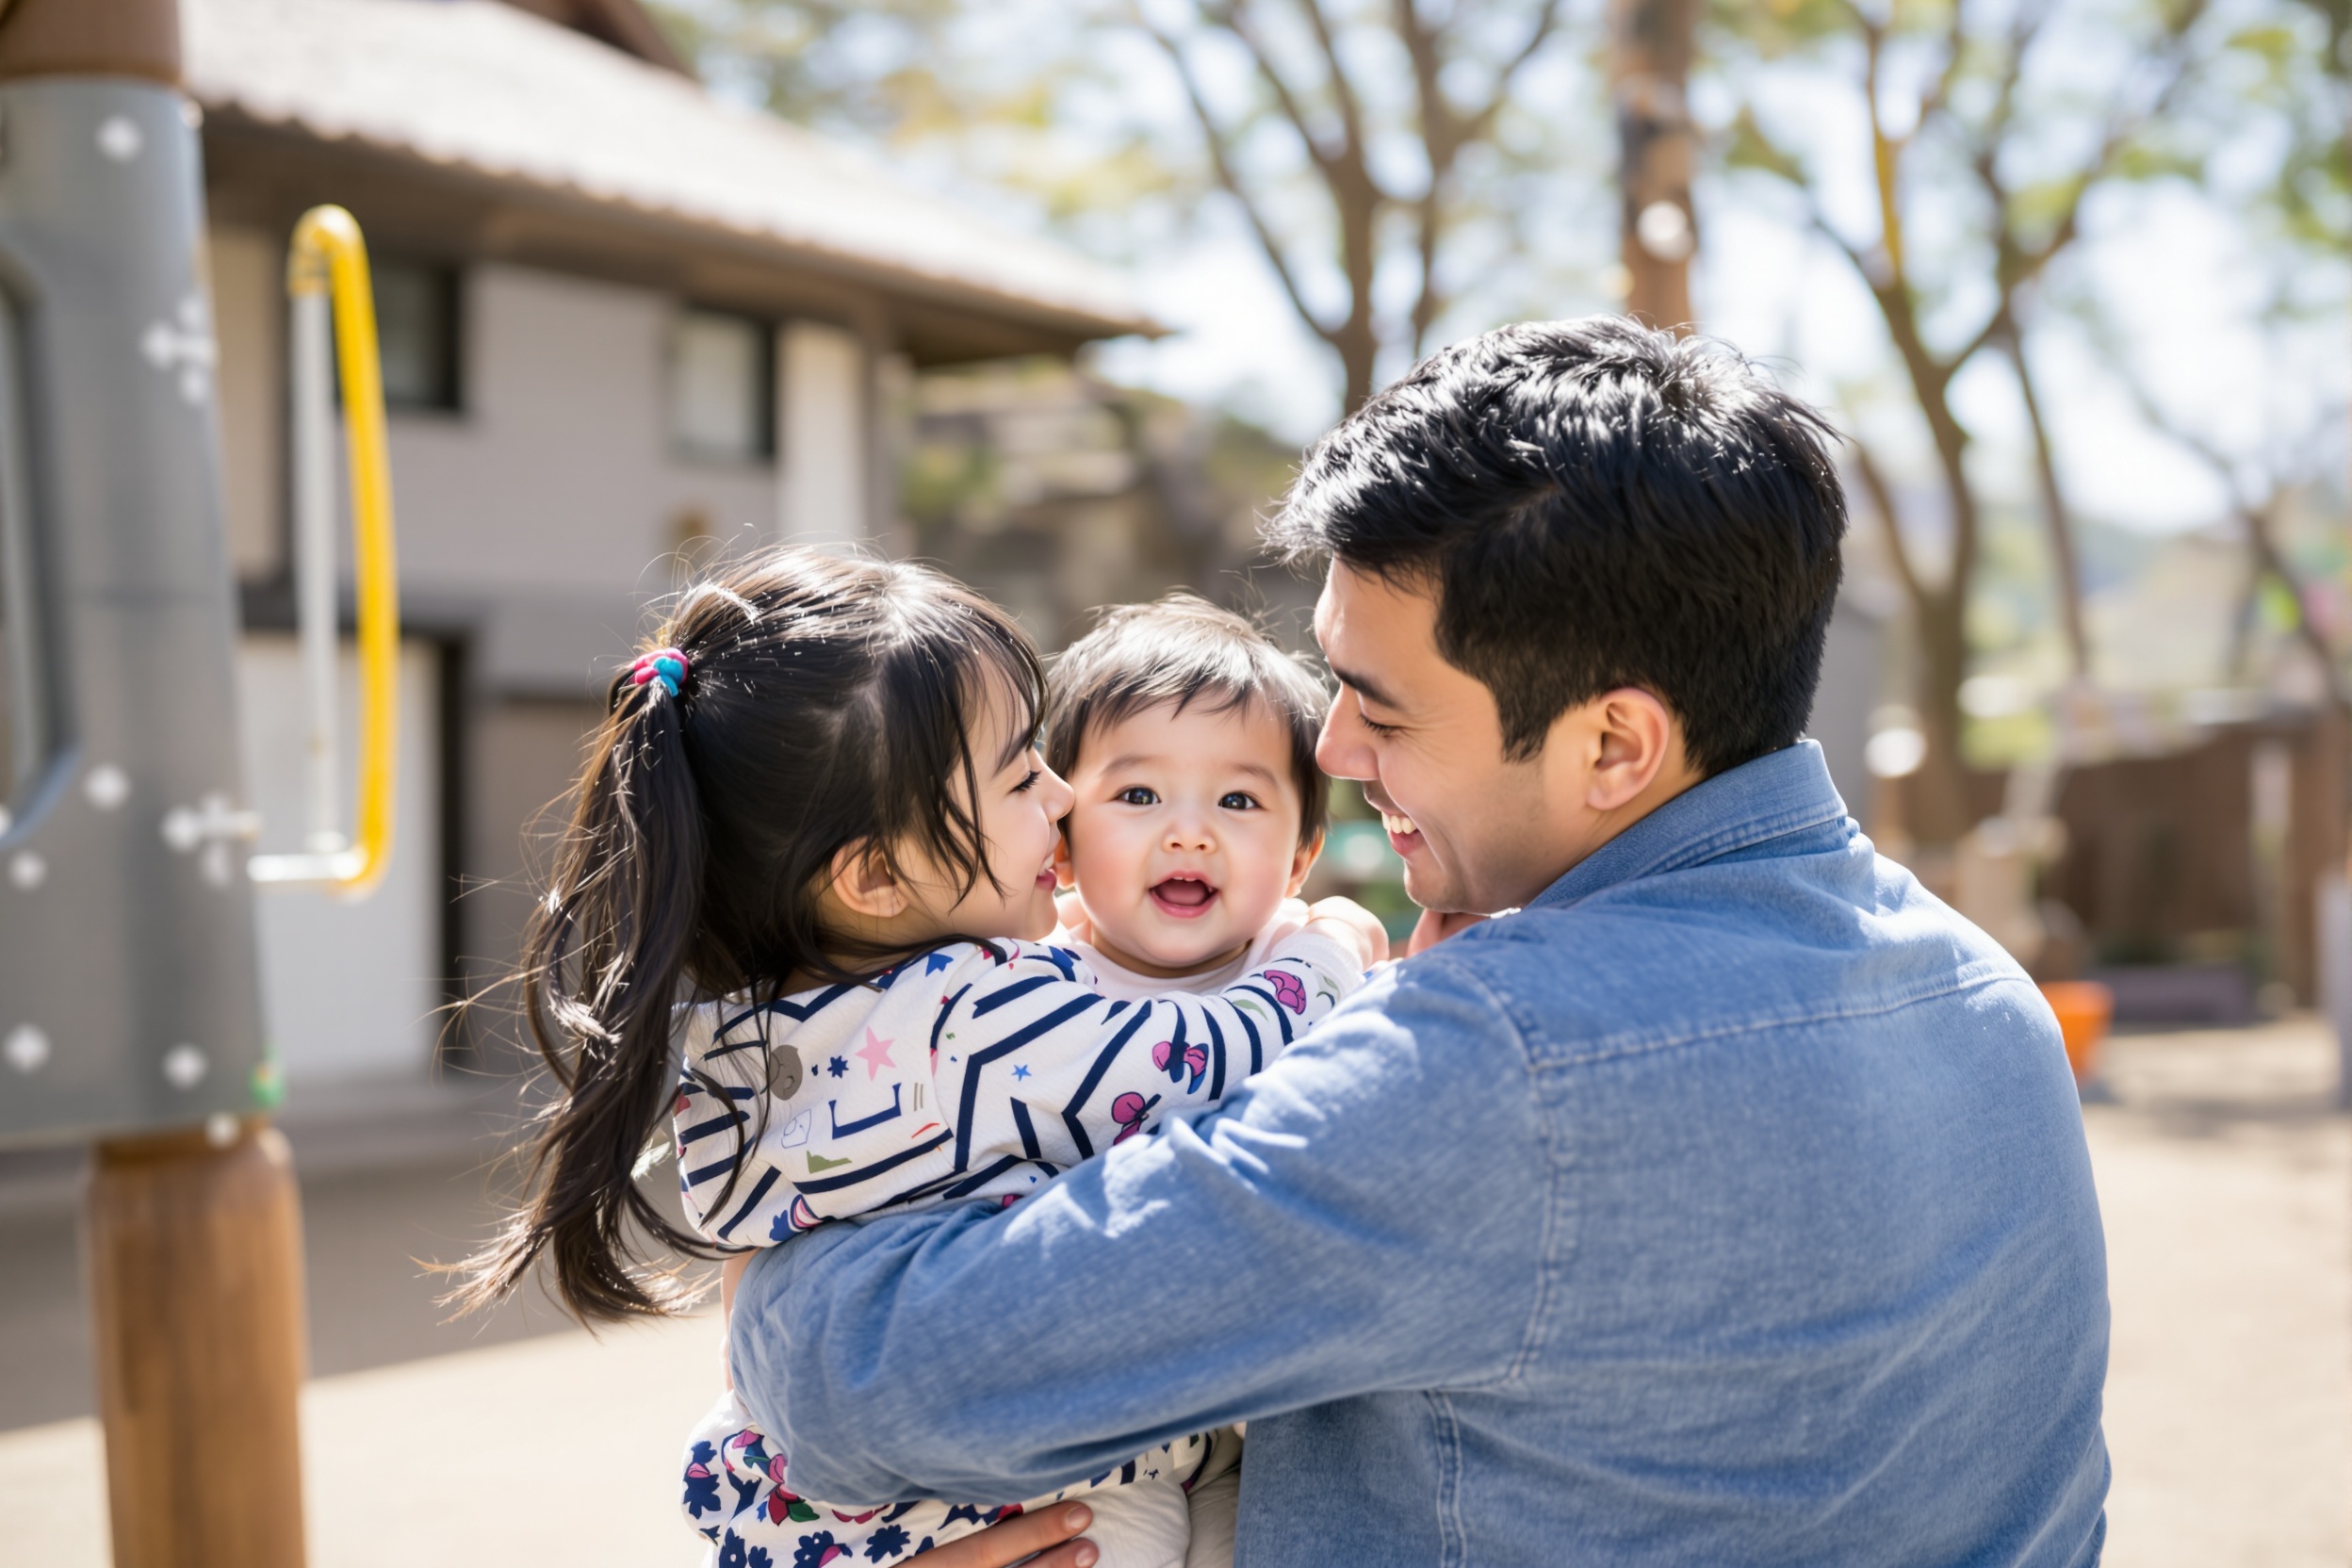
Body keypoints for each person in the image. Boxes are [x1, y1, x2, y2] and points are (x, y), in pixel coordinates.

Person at [727, 318, 2112, 1568]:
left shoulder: (1500, 1066)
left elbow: (862, 1386)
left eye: (1380, 709)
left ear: (1615, 743)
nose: (1328, 747)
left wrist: (767, 1230)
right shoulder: (1983, 996)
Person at [454, 549, 1384, 1568]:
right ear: (879, 876)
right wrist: (1329, 948)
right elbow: (1202, 1056)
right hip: (1037, 1494)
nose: (1065, 796)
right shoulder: (978, 1014)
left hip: (825, 1501)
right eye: (1026, 772)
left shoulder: (750, 1031)